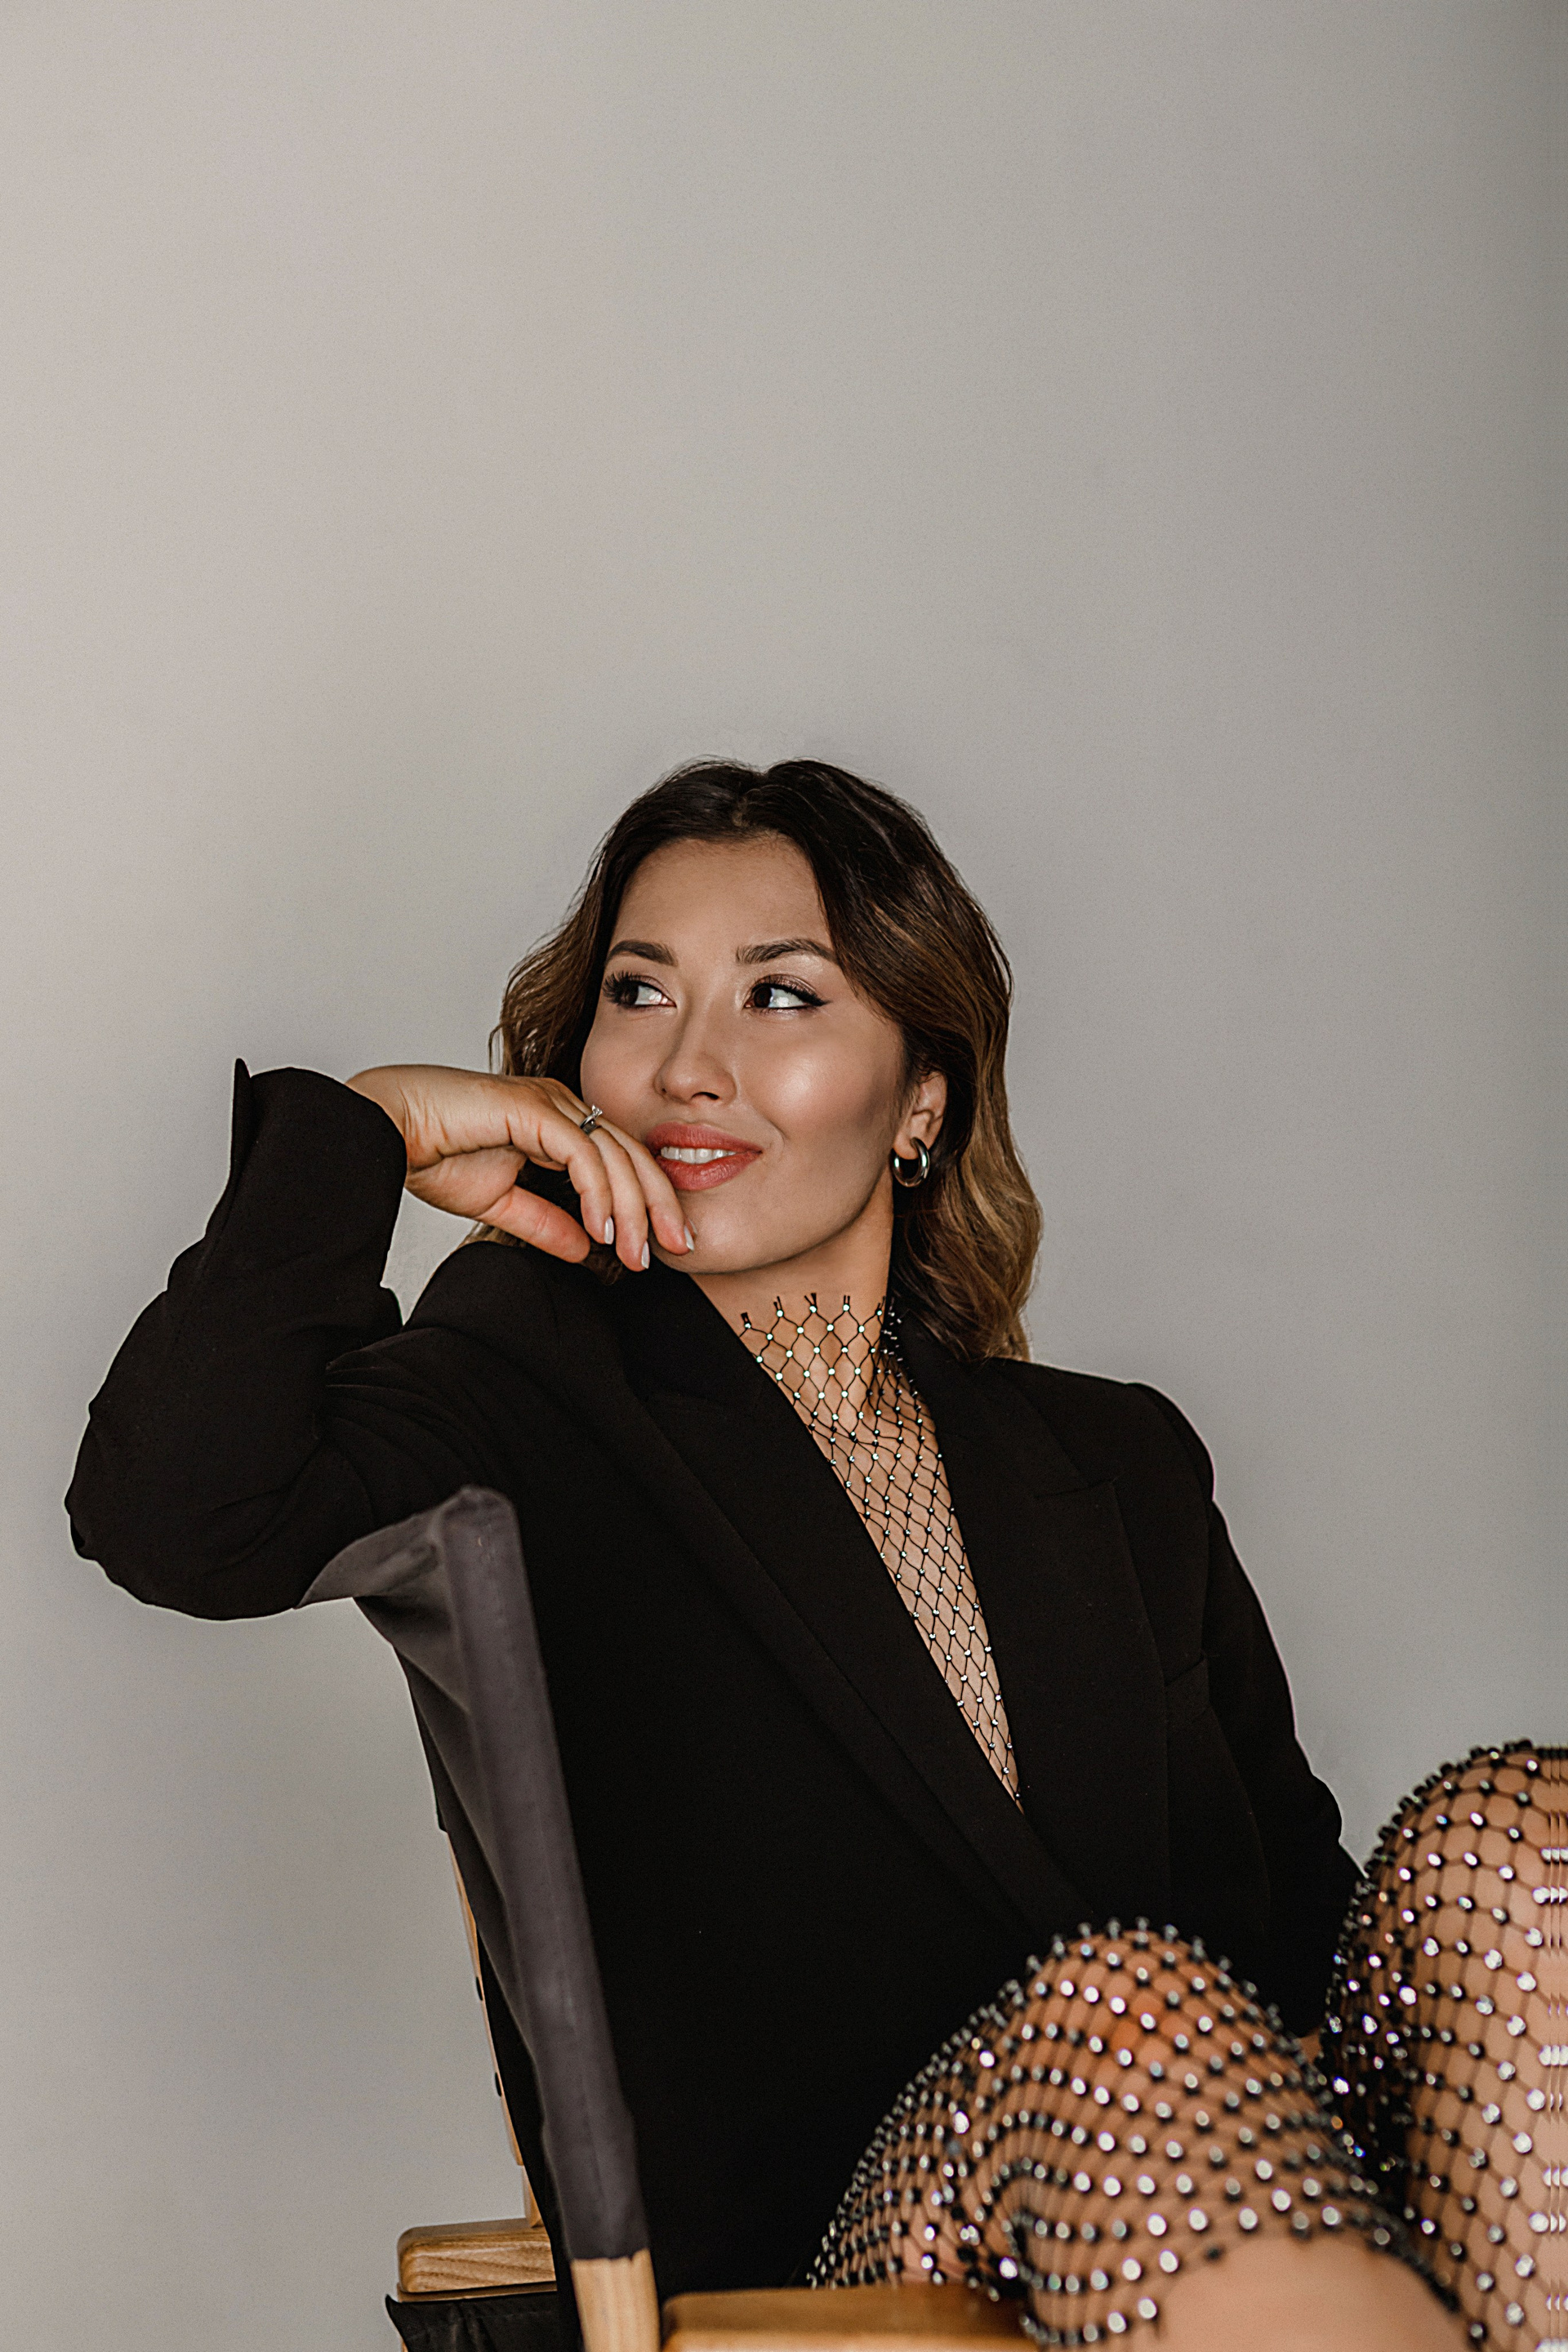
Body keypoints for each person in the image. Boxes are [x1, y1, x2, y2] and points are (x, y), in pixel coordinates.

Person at [67, 761, 1555, 2351]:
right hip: (840, 2258)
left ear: (921, 1099)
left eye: (779, 995)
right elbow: (178, 1508)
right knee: (1125, 2001)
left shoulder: (1119, 1460)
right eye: (640, 993)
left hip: (1231, 2209)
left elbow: (1302, 1930)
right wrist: (367, 1132)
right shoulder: (524, 1377)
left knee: (1513, 1840)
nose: (688, 1066)